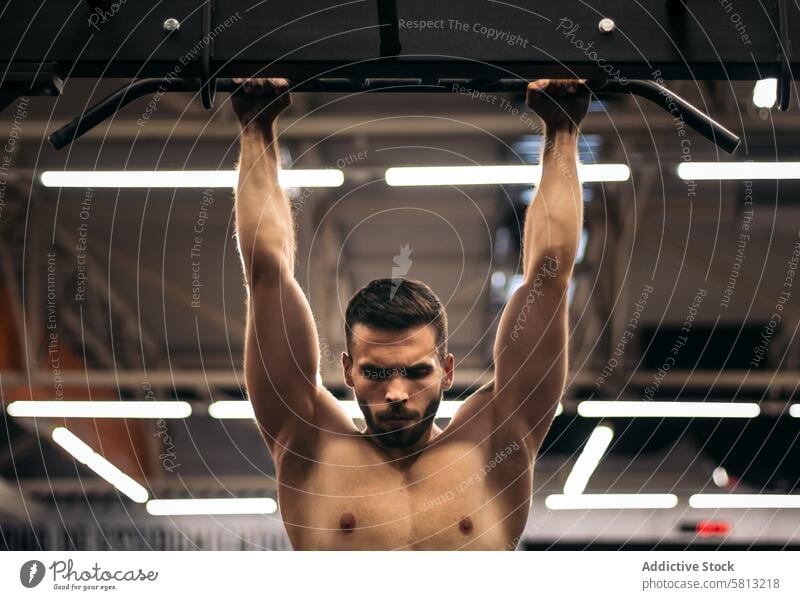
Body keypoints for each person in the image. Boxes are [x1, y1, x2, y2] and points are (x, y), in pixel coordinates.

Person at [231, 77, 590, 549]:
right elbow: (266, 272)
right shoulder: (312, 445)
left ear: (446, 370)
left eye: (416, 371)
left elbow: (549, 277)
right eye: (376, 372)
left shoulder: (495, 442)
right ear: (347, 371)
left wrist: (562, 131)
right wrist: (256, 127)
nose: (396, 393)